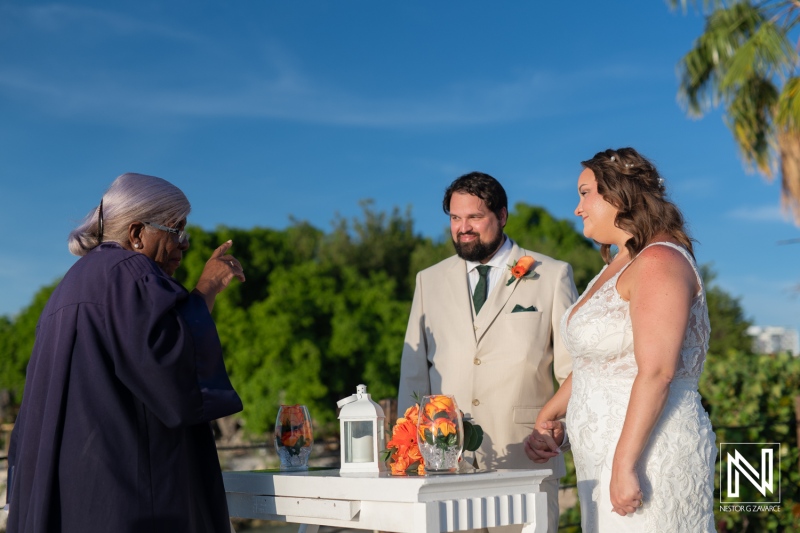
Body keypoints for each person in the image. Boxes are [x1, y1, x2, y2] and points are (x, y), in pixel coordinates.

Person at [5, 173, 246, 533]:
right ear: (136, 234)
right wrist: (207, 288)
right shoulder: (130, 274)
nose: (185, 245)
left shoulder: (67, 288)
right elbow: (169, 366)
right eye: (176, 231)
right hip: (124, 503)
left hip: (69, 500)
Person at [524, 148, 716, 532]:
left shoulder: (660, 261)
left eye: (584, 193)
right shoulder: (619, 263)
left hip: (649, 454)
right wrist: (550, 414)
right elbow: (598, 361)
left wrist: (624, 464)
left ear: (618, 194)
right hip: (601, 455)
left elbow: (658, 371)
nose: (577, 208)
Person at [398, 171, 578, 533]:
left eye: (475, 217)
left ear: (502, 216)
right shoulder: (427, 280)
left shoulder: (552, 275)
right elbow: (414, 374)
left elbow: (574, 369)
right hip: (445, 466)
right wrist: (409, 453)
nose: (463, 228)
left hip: (526, 459)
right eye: (455, 218)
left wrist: (561, 428)